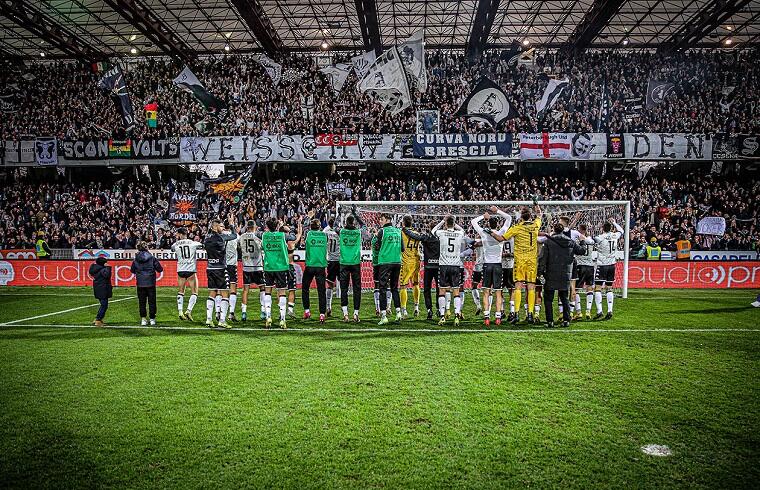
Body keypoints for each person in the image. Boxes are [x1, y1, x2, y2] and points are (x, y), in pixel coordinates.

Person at [492, 201, 542, 324]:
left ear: (521, 217)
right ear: (530, 216)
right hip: (531, 260)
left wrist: (489, 232)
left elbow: (500, 239)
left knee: (518, 286)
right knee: (531, 286)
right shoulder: (536, 225)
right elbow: (540, 214)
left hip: (519, 261)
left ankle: (517, 314)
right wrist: (536, 203)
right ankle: (530, 314)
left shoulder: (517, 228)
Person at [538, 223, 587, 328]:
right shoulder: (570, 242)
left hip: (550, 273)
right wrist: (582, 240)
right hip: (565, 274)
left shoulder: (548, 242)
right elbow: (582, 251)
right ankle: (566, 320)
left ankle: (550, 321)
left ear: (554, 230)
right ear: (563, 231)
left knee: (548, 299)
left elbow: (543, 259)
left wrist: (540, 272)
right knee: (564, 298)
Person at [471, 206, 512, 326]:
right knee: (498, 292)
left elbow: (473, 222)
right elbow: (508, 218)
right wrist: (497, 210)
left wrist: (483, 216)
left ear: (489, 224)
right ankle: (498, 317)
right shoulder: (501, 232)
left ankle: (486, 317)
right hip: (498, 266)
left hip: (487, 265)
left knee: (486, 292)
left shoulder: (484, 233)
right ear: (498, 224)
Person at [262, 219, 299, 329]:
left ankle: (268, 316)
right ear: (278, 226)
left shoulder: (264, 235)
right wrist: (288, 228)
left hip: (269, 267)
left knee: (267, 291)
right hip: (281, 267)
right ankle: (282, 319)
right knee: (282, 292)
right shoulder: (283, 235)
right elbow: (293, 236)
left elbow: (258, 234)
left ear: (267, 226)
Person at [402, 220, 440, 320]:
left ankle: (429, 310)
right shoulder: (442, 238)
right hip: (438, 266)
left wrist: (405, 230)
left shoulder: (426, 237)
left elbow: (415, 236)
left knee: (426, 289)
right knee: (439, 289)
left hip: (428, 267)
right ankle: (439, 309)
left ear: (430, 228)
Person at [203, 218, 238, 329]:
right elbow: (234, 236)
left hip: (210, 268)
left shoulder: (206, 238)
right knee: (225, 294)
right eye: (221, 226)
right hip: (221, 269)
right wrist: (232, 225)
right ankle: (222, 320)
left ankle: (209, 319)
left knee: (212, 293)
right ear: (215, 227)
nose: (223, 229)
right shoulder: (221, 237)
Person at [433, 215, 465, 326]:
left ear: (446, 224)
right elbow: (462, 230)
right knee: (456, 291)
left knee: (442, 291)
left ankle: (442, 316)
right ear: (454, 224)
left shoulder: (441, 233)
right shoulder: (459, 233)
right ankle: (456, 316)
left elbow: (433, 231)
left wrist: (443, 220)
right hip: (455, 265)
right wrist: (453, 222)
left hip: (444, 266)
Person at [374, 214, 403, 325]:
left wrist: (377, 237)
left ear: (387, 220)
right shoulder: (398, 231)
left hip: (385, 262)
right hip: (397, 261)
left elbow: (377, 247)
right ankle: (398, 313)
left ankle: (384, 316)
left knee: (382, 288)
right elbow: (402, 248)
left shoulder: (382, 231)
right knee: (394, 288)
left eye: (381, 219)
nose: (380, 221)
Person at [593, 218, 624, 320]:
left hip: (602, 265)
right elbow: (621, 231)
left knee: (597, 287)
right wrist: (615, 222)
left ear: (602, 228)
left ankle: (599, 311)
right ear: (611, 228)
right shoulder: (615, 235)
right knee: (609, 287)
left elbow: (591, 241)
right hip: (612, 265)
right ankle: (610, 310)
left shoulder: (600, 237)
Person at [171, 227, 202, 321]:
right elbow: (201, 245)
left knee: (181, 291)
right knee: (194, 292)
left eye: (177, 234)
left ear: (180, 234)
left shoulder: (175, 244)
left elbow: (172, 249)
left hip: (180, 269)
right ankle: (188, 311)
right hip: (191, 269)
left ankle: (180, 312)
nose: (176, 235)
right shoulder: (193, 243)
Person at [130, 241, 163, 326]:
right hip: (150, 283)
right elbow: (160, 269)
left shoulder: (136, 259)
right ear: (147, 248)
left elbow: (132, 270)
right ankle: (152, 319)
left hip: (140, 283)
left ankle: (143, 319)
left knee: (142, 302)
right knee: (152, 302)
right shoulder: (152, 258)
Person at [302, 218, 328, 323]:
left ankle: (307, 311)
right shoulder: (324, 235)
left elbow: (304, 229)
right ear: (319, 226)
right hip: (321, 266)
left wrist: (308, 217)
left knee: (305, 289)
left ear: (311, 227)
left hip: (310, 265)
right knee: (321, 291)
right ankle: (322, 314)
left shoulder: (309, 234)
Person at [339, 213, 363, 323]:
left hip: (344, 263)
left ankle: (345, 314)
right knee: (357, 289)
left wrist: (339, 214)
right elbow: (364, 226)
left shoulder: (342, 232)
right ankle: (356, 313)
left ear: (346, 222)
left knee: (344, 289)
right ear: (354, 222)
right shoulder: (358, 232)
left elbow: (334, 226)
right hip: (355, 263)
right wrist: (355, 214)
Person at [239, 220, 264, 321]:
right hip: (257, 267)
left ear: (247, 227)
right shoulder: (257, 237)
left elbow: (239, 247)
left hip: (246, 267)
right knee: (262, 288)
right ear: (254, 227)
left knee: (245, 290)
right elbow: (262, 247)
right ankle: (263, 311)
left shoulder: (242, 237)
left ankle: (244, 312)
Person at [399, 215, 421, 318]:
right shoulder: (417, 233)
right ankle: (416, 307)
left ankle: (404, 309)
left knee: (403, 286)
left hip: (406, 262)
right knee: (416, 284)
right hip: (416, 261)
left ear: (403, 223)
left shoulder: (401, 233)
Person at [574, 223, 597, 320]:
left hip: (581, 266)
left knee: (575, 290)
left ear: (581, 230)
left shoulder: (578, 240)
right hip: (591, 266)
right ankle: (588, 311)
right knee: (589, 288)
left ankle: (579, 312)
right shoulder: (591, 240)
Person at [223, 223, 241, 322]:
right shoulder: (236, 236)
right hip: (232, 265)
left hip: (221, 265)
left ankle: (218, 312)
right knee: (233, 288)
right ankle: (231, 313)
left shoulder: (220, 235)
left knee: (220, 288)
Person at [324, 219, 341, 317]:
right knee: (343, 283)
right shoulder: (339, 231)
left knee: (330, 284)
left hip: (330, 260)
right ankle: (344, 310)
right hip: (340, 260)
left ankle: (328, 307)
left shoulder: (325, 231)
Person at [89, 256, 112, 327]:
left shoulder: (95, 269)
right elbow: (107, 275)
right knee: (104, 305)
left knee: (103, 305)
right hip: (103, 288)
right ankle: (98, 320)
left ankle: (97, 319)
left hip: (98, 288)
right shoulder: (102, 269)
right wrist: (108, 267)